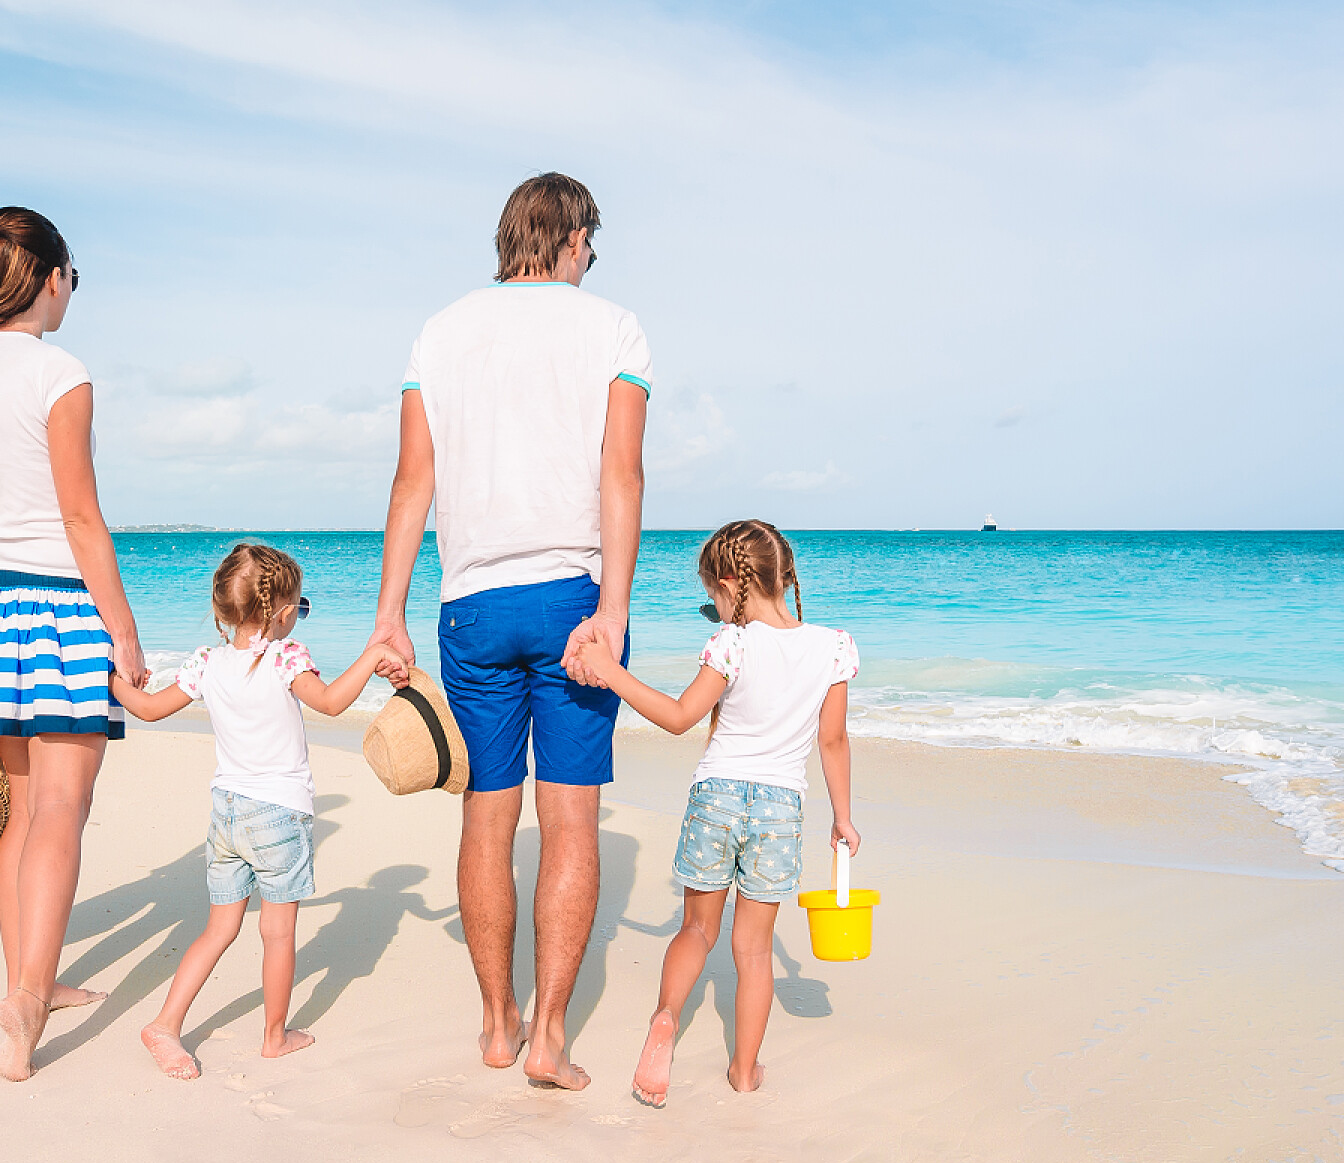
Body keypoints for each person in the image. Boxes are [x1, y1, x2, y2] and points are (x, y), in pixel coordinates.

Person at [368, 173, 652, 1089]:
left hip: (471, 605)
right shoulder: (612, 326)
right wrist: (612, 606)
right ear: (569, 237)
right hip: (571, 595)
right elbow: (623, 476)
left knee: (487, 817)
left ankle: (496, 1025)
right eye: (590, 246)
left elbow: (413, 484)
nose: (590, 263)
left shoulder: (439, 331)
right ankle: (549, 1039)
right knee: (571, 823)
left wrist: (389, 614)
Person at [0, 207, 145, 1082]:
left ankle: (32, 979)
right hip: (60, 608)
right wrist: (124, 633)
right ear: (51, 276)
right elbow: (81, 516)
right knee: (61, 808)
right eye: (72, 280)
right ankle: (25, 1000)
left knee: (25, 810)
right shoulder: (60, 371)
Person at [574, 520, 860, 1107]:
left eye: (713, 596)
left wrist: (611, 673)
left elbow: (681, 717)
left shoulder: (733, 643)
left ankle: (664, 1021)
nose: (714, 607)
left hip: (717, 795)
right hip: (781, 808)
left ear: (732, 583)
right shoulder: (834, 646)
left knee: (697, 930)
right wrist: (843, 816)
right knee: (753, 950)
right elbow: (833, 741)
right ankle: (745, 1071)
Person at [108, 543, 409, 1080]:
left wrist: (113, 679)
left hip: (226, 813)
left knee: (219, 928)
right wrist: (372, 655)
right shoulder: (287, 658)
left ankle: (166, 1022)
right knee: (277, 933)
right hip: (279, 816)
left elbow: (149, 709)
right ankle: (275, 1035)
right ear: (284, 612)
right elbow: (333, 702)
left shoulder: (206, 662)